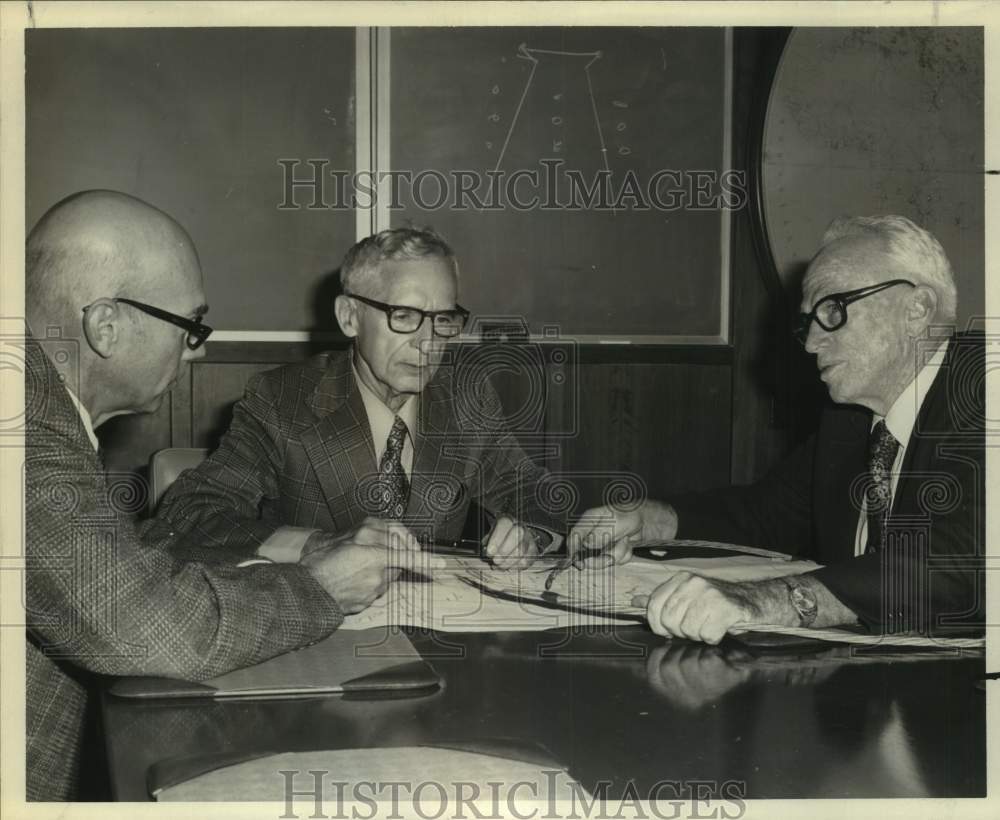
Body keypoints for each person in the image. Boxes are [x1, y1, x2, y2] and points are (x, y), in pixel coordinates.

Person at [23, 191, 441, 801]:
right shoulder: (27, 426)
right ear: (105, 326)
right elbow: (142, 626)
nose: (199, 349)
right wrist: (322, 585)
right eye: (191, 326)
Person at [570, 215, 984, 644]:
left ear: (917, 309)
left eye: (832, 310)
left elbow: (959, 564)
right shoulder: (851, 421)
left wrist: (766, 601)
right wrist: (648, 520)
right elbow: (765, 515)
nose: (810, 344)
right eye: (808, 323)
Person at [153, 227, 562, 569]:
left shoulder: (465, 396)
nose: (429, 343)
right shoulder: (282, 399)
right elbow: (191, 513)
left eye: (444, 320)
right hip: (320, 629)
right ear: (349, 316)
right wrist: (316, 546)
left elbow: (536, 494)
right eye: (404, 316)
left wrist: (532, 532)